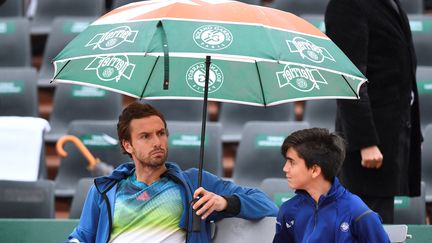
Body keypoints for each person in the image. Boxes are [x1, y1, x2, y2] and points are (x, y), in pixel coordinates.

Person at [66, 101, 278, 243]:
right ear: (127, 145)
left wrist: (224, 202)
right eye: (145, 136)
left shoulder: (195, 182)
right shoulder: (106, 189)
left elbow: (267, 205)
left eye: (161, 133)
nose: (157, 142)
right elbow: (81, 237)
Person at [325, 0, 423, 223]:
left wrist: (412, 133)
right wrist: (365, 142)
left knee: (379, 223)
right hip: (367, 145)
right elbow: (348, 79)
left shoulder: (391, 3)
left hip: (391, 134)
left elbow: (400, 73)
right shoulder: (347, 5)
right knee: (366, 224)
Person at [273, 128, 390, 243]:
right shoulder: (288, 210)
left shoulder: (358, 213)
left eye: (292, 162)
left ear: (315, 170)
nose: (285, 168)